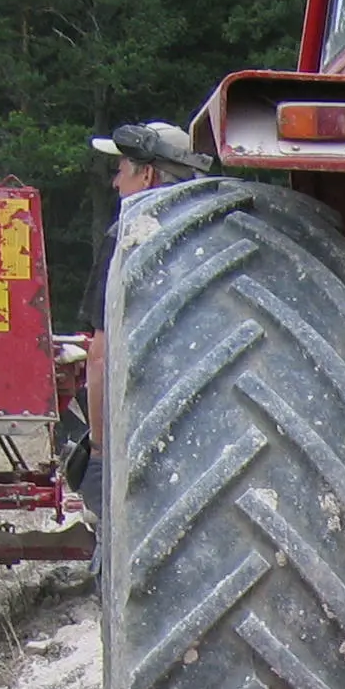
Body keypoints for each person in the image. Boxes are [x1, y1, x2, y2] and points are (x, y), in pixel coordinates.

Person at [72, 122, 212, 520]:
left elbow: (100, 357)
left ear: (146, 173)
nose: (116, 183)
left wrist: (98, 450)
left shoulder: (130, 240)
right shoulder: (221, 234)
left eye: (121, 170)